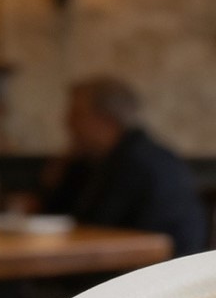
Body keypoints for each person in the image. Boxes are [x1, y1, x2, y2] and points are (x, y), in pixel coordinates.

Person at [43, 77, 205, 256]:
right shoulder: (109, 159)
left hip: (150, 275)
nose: (67, 122)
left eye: (76, 114)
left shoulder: (135, 164)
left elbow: (95, 228)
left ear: (107, 119)